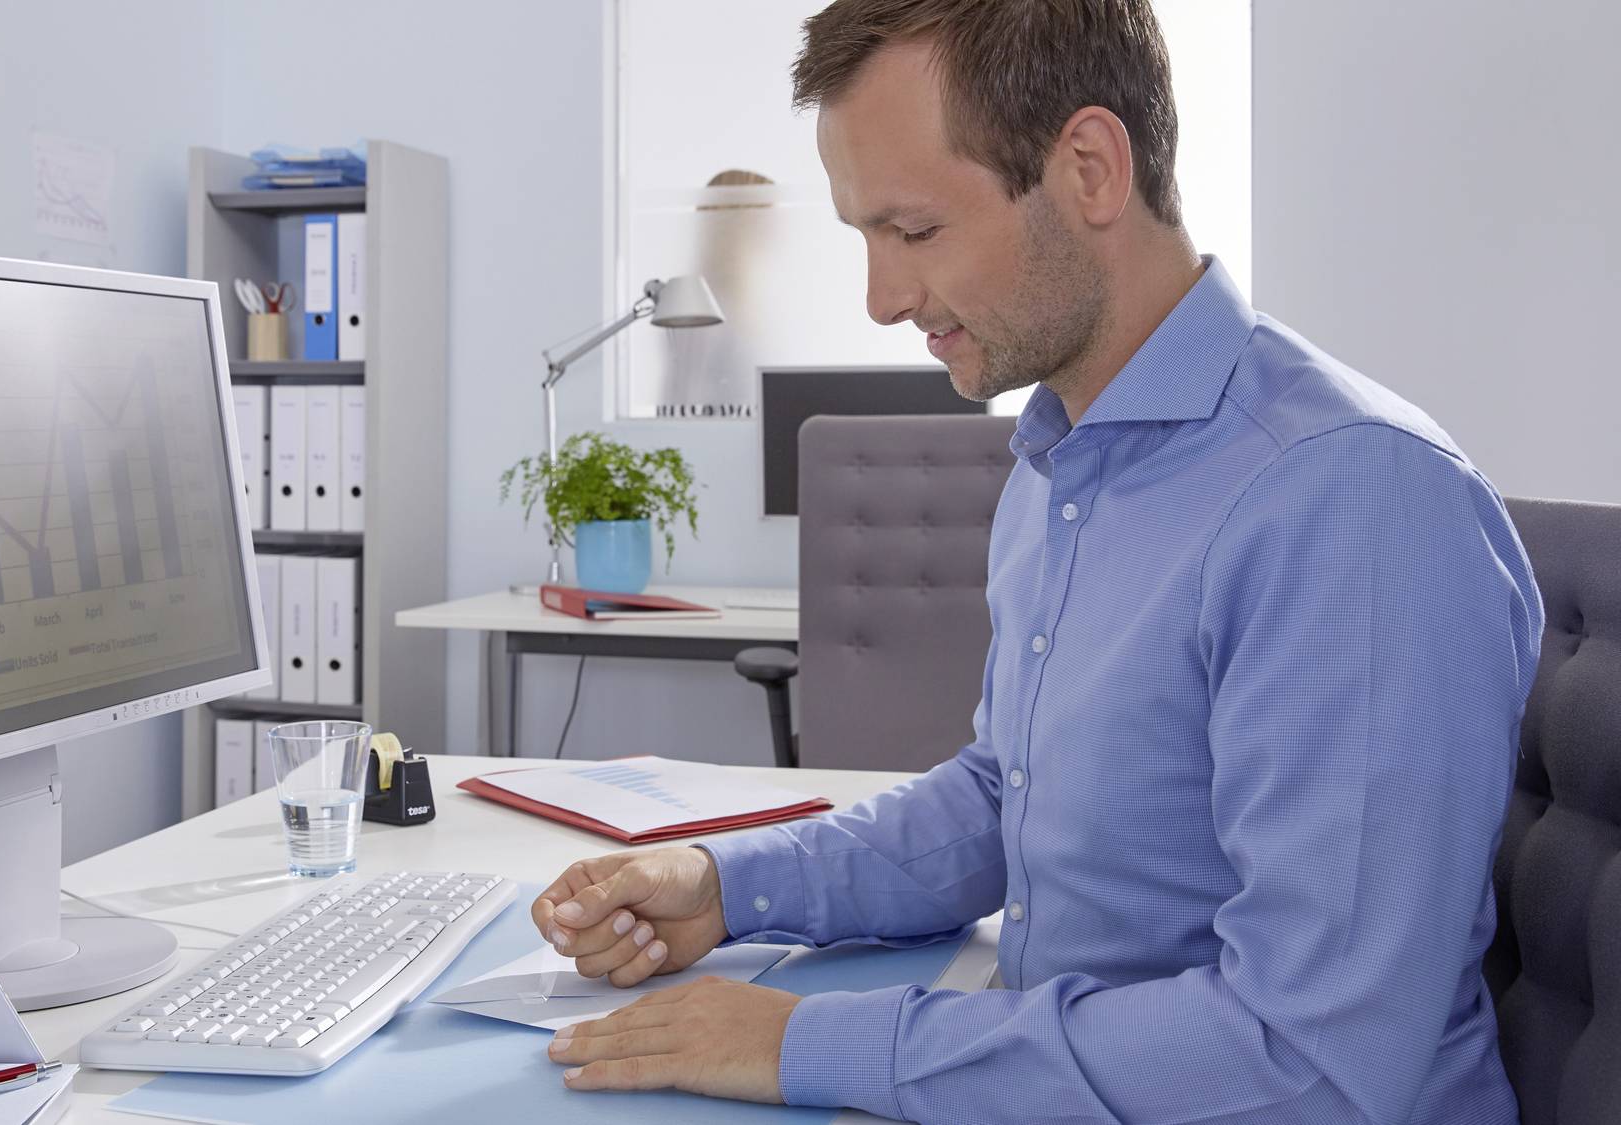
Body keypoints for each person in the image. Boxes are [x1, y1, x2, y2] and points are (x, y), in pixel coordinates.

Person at [530, 2, 1542, 1122]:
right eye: (862, 237)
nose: (879, 300)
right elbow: (1004, 799)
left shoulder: (1347, 500)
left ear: (1089, 170)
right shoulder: (1059, 463)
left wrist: (814, 1044)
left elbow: (1311, 1063)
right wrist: (728, 886)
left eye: (912, 232)